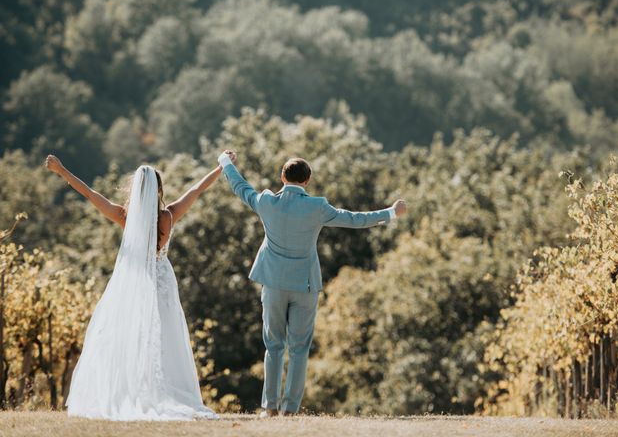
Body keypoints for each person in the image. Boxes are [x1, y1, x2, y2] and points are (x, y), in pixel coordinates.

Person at [217, 150, 407, 417]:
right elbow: (355, 219)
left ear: (282, 177)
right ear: (307, 180)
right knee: (299, 349)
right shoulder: (317, 207)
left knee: (273, 345)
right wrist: (391, 213)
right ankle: (290, 410)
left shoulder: (267, 201)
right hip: (304, 286)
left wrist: (225, 162)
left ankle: (269, 407)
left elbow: (241, 187)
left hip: (272, 282)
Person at [45, 155, 223, 421]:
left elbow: (90, 194)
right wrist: (221, 167)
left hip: (134, 286)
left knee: (132, 337)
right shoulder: (169, 216)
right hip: (162, 284)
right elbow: (196, 189)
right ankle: (167, 390)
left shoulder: (123, 216)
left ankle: (135, 391)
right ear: (159, 190)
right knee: (167, 339)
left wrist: (62, 171)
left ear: (135, 191)